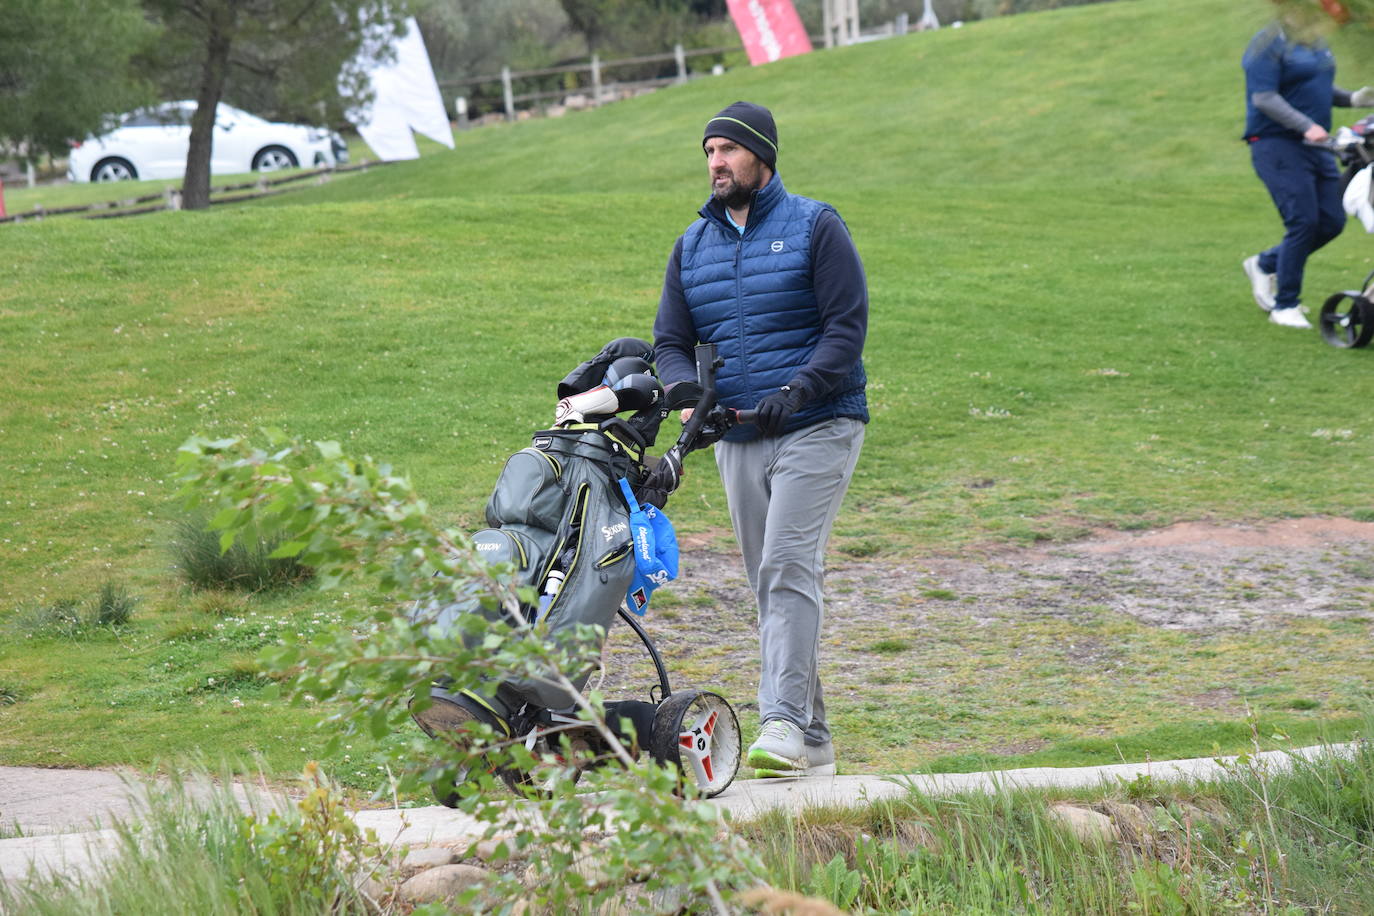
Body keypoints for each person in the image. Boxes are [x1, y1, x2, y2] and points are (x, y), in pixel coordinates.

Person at [652, 101, 868, 778]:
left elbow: (845, 327)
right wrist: (688, 397)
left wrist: (798, 390)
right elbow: (670, 342)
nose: (716, 162)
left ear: (761, 156)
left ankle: (779, 724)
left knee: (785, 568)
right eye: (708, 152)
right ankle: (818, 745)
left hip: (820, 425)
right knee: (769, 584)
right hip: (736, 439)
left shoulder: (814, 225)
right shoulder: (692, 245)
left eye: (728, 150)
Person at [1241, 1, 1374, 329]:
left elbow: (1315, 88)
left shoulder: (1314, 41)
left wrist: (1353, 98)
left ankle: (1264, 263)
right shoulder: (1266, 43)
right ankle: (1285, 305)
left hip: (1315, 146)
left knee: (1330, 222)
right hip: (1276, 144)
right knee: (1302, 221)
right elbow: (1264, 98)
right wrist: (1306, 126)